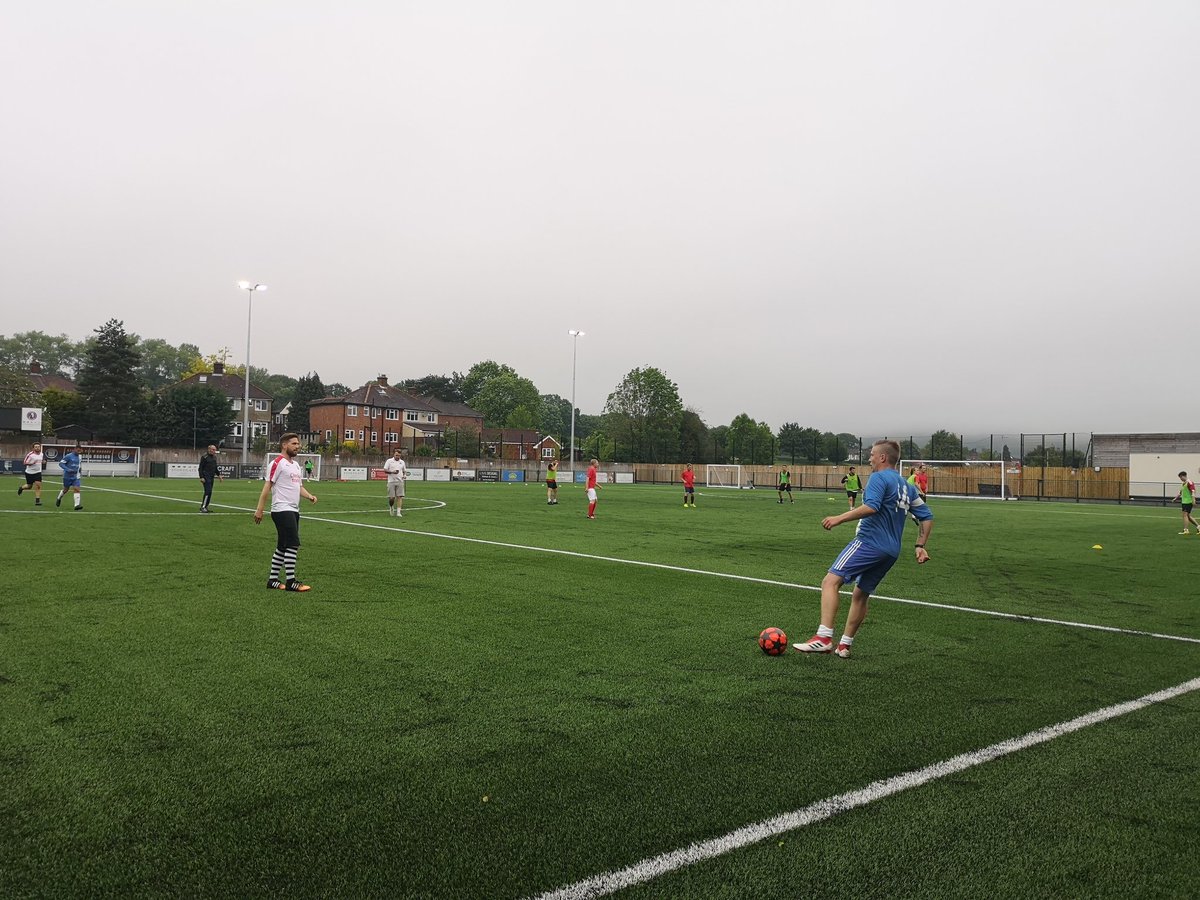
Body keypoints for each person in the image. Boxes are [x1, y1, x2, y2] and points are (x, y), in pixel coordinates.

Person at [794, 439, 933, 659]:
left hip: (869, 542)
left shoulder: (878, 477)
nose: (869, 458)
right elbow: (926, 516)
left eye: (872, 454)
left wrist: (839, 518)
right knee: (861, 594)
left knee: (830, 582)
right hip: (891, 551)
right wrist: (920, 545)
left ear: (882, 457)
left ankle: (823, 638)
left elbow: (871, 507)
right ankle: (845, 645)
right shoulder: (906, 486)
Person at [254, 433, 318, 591]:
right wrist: (260, 509)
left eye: (298, 444)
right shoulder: (277, 463)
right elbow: (267, 486)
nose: (298, 446)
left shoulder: (295, 465)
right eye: (294, 443)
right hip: (282, 509)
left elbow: (299, 487)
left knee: (282, 546)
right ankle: (291, 582)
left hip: (293, 509)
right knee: (292, 544)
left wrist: (309, 496)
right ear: (284, 445)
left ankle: (272, 580)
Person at [55, 442, 83, 510]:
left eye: (80, 450)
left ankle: (76, 505)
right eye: (78, 450)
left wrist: (80, 470)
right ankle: (59, 498)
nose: (79, 452)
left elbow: (79, 465)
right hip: (67, 476)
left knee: (77, 489)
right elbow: (61, 463)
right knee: (65, 490)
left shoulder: (80, 457)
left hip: (76, 476)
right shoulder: (68, 456)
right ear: (74, 449)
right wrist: (67, 469)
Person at [17, 441, 44, 506]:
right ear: (33, 448)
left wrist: (43, 462)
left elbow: (41, 461)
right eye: (36, 447)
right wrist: (31, 463)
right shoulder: (30, 455)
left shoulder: (41, 454)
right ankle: (21, 488)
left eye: (38, 447)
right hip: (29, 473)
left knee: (38, 486)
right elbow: (24, 462)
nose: (37, 448)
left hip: (38, 472)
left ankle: (37, 501)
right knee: (29, 486)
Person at [198, 444, 223, 513]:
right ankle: (203, 507)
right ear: (209, 449)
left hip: (211, 477)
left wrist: (219, 475)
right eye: (213, 449)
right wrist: (201, 477)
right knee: (207, 491)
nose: (214, 451)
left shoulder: (214, 457)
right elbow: (200, 468)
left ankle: (206, 506)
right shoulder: (204, 457)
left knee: (210, 492)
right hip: (206, 476)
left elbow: (215, 467)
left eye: (215, 450)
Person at [383, 448, 407, 517]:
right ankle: (391, 506)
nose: (397, 457)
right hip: (391, 481)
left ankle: (399, 512)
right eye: (396, 455)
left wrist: (404, 475)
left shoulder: (402, 462)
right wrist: (392, 472)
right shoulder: (389, 461)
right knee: (392, 498)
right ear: (394, 454)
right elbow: (385, 470)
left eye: (399, 455)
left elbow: (404, 471)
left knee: (399, 497)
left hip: (400, 481)